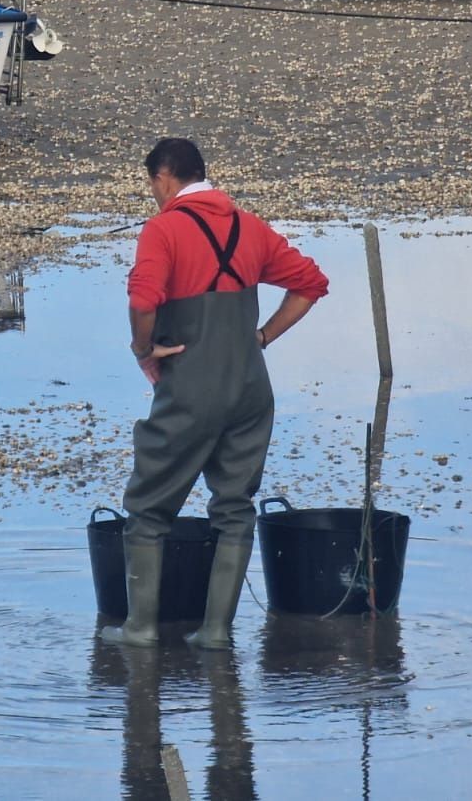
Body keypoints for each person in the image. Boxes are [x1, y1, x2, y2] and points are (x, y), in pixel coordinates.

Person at [101, 137, 328, 650]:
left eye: (152, 186)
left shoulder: (164, 229)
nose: (154, 195)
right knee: (233, 506)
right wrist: (263, 337)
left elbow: (143, 299)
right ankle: (217, 632)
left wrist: (144, 348)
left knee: (147, 508)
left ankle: (139, 629)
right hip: (250, 389)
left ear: (163, 178)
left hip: (192, 388)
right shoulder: (248, 225)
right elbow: (312, 284)